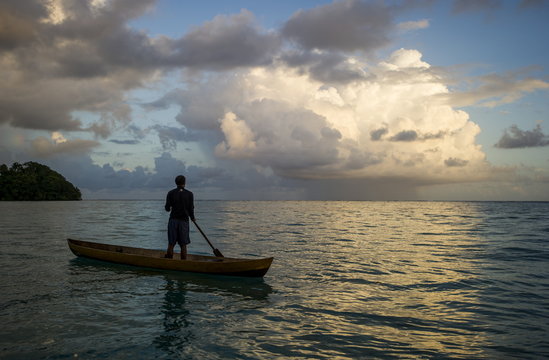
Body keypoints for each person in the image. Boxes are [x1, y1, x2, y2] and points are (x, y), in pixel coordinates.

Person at [164, 175, 195, 260]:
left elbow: (167, 208)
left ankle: (169, 262)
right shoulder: (189, 194)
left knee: (171, 243)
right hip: (184, 221)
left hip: (173, 220)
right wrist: (192, 218)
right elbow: (191, 208)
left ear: (176, 182)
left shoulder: (170, 193)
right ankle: (183, 264)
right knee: (183, 244)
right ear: (184, 183)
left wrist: (170, 207)